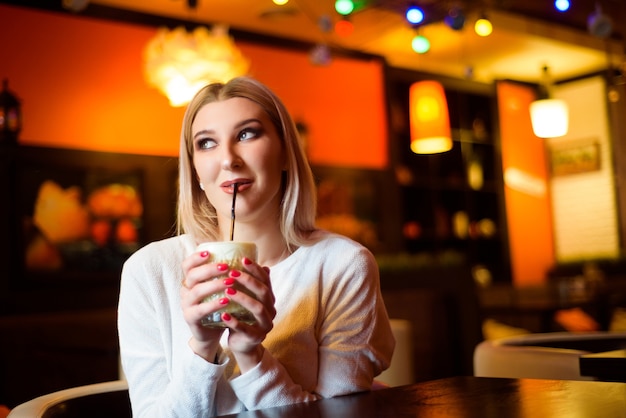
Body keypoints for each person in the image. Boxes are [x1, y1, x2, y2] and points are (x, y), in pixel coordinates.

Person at [117, 76, 395, 417]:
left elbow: (337, 415)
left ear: (284, 153)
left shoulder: (343, 264)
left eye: (247, 134)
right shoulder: (149, 271)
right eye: (206, 143)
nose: (228, 159)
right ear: (196, 172)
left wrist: (251, 354)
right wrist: (202, 349)